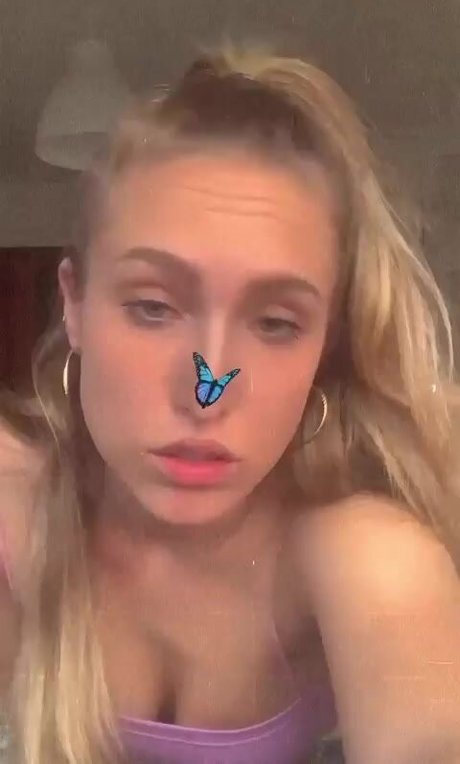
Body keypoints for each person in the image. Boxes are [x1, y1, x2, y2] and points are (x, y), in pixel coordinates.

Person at [0, 41, 460, 764]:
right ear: (75, 304)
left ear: (325, 347)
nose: (206, 388)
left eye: (275, 323)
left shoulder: (370, 564)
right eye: (153, 307)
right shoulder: (15, 521)